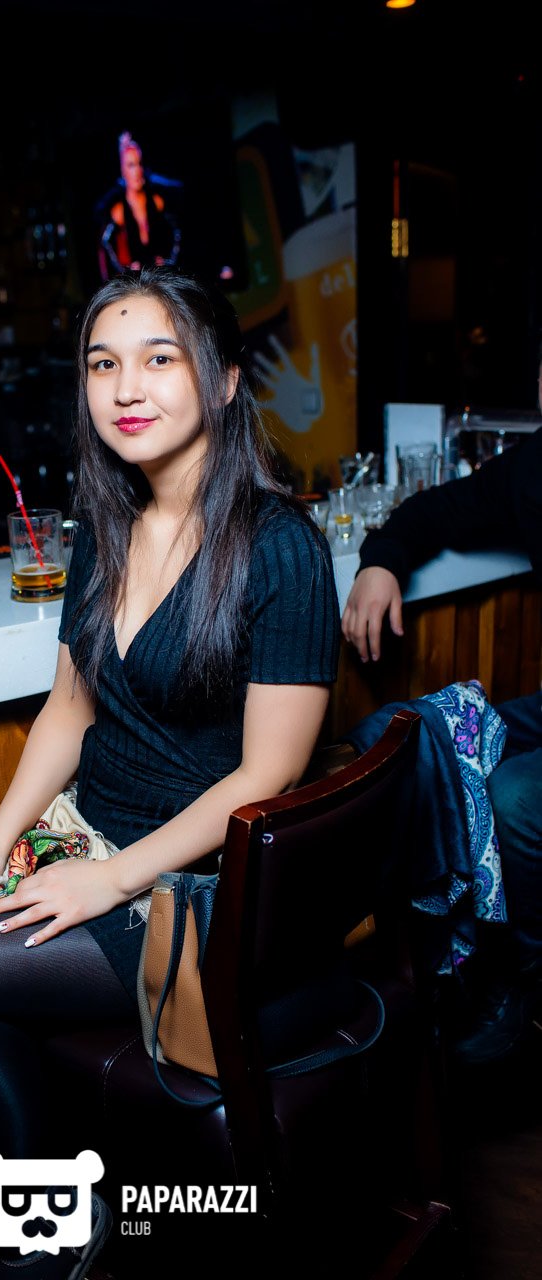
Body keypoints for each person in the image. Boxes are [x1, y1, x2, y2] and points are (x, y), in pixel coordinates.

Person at [0, 266, 340, 1278]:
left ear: (222, 380)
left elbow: (266, 775)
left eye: (159, 358)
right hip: (97, 837)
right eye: (102, 363)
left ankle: (53, 1235)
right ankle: (66, 1209)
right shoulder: (105, 531)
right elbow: (69, 711)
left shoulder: (281, 547)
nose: (126, 387)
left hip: (202, 887)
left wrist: (110, 879)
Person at [342, 417, 542, 1065]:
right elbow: (433, 511)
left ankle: (523, 985)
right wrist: (380, 562)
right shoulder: (533, 469)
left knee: (515, 796)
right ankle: (442, 968)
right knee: (419, 738)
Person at [97, 132, 182, 278]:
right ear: (123, 170)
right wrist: (125, 270)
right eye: (131, 165)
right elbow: (105, 245)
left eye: (139, 163)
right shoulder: (119, 212)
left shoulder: (156, 202)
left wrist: (168, 262)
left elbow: (177, 234)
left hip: (159, 277)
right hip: (134, 282)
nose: (137, 171)